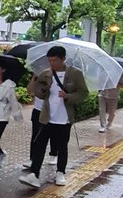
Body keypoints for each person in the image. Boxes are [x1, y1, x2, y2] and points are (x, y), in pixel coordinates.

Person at [19, 46, 88, 189]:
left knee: (62, 146)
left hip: (64, 118)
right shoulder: (46, 73)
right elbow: (37, 93)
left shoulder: (75, 74)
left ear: (63, 59)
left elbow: (83, 93)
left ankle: (60, 172)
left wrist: (68, 96)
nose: (52, 63)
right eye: (50, 60)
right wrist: (42, 88)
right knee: (39, 145)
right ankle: (34, 174)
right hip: (47, 117)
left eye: (55, 60)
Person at [22, 72, 47, 170]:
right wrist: (34, 78)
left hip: (49, 111)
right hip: (37, 110)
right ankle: (32, 159)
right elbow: (29, 91)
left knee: (47, 137)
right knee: (35, 136)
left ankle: (54, 154)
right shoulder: (39, 73)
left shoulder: (55, 74)